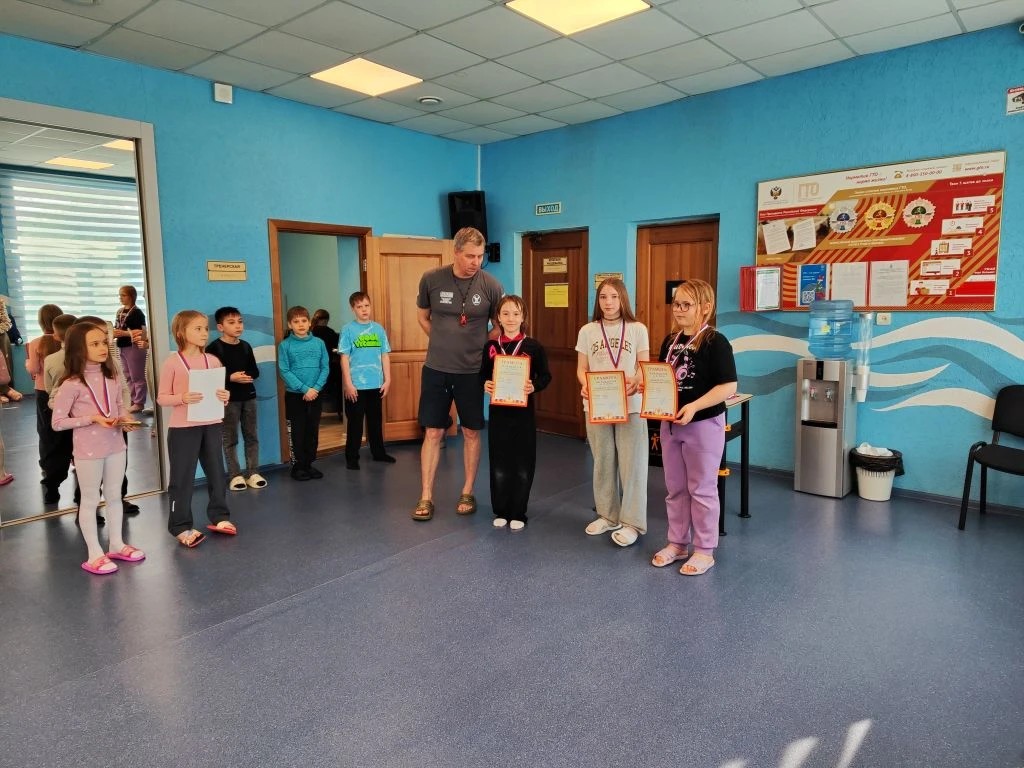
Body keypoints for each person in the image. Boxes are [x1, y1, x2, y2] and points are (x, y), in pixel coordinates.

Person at [413, 226, 503, 521]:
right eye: (470, 256)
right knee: (433, 431)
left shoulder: (491, 285)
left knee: (471, 431)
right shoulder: (431, 279)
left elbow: (499, 326)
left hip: (472, 371)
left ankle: (467, 491)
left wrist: (479, 346)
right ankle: (426, 495)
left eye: (480, 256)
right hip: (436, 369)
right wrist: (441, 340)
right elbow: (422, 316)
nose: (476, 262)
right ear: (456, 252)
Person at [649, 280, 737, 576]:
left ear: (706, 307)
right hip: (671, 425)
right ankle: (677, 543)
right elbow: (663, 379)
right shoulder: (670, 341)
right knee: (675, 488)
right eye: (676, 304)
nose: (679, 310)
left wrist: (695, 406)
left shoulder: (716, 342)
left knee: (701, 489)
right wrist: (644, 387)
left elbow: (728, 386)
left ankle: (704, 550)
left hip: (703, 425)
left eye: (687, 304)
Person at [51, 322, 145, 575]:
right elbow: (57, 422)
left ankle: (117, 544)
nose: (103, 348)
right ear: (78, 349)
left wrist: (125, 420)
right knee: (90, 499)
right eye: (94, 344)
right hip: (88, 451)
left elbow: (119, 407)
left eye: (104, 342)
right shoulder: (71, 384)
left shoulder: (111, 376)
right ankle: (94, 553)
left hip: (116, 445)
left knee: (115, 496)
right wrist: (91, 419)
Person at [576, 277, 650, 547]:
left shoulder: (637, 329)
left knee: (633, 465)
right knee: (603, 462)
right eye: (603, 297)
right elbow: (581, 368)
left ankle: (632, 523)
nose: (608, 302)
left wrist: (636, 379)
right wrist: (585, 384)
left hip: (631, 405)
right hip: (598, 405)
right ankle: (608, 516)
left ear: (623, 299)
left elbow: (643, 365)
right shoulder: (587, 331)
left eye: (614, 297)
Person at [156, 310, 233, 547]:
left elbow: (219, 394)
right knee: (182, 478)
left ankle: (220, 516)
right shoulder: (172, 363)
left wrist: (224, 396)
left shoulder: (213, 361)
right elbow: (161, 398)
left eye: (205, 328)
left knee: (217, 473)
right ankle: (180, 526)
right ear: (181, 332)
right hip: (183, 429)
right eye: (197, 329)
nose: (204, 333)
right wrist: (182, 397)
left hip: (211, 424)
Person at [480, 295, 551, 530]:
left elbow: (546, 376)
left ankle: (519, 512)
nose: (511, 319)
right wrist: (485, 384)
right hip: (498, 413)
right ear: (498, 318)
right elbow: (482, 374)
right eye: (506, 314)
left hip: (523, 415)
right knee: (499, 462)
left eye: (516, 314)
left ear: (523, 317)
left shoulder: (534, 347)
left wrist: (534, 386)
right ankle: (501, 509)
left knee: (522, 463)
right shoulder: (491, 347)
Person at [207, 306, 266, 491]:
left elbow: (255, 371)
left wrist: (247, 376)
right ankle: (235, 475)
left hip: (249, 397)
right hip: (228, 400)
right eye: (231, 322)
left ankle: (253, 472)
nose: (238, 326)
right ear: (220, 327)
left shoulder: (246, 346)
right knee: (230, 438)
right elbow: (210, 376)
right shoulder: (214, 348)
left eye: (240, 322)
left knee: (252, 436)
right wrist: (230, 378)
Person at [339, 292, 395, 470]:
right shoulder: (348, 330)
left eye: (366, 306)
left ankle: (379, 453)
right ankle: (352, 457)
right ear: (353, 309)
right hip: (356, 386)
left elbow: (384, 355)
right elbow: (344, 358)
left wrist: (387, 379)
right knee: (355, 423)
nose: (364, 310)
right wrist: (348, 384)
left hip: (376, 384)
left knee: (375, 421)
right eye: (359, 307)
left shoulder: (378, 329)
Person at [278, 305, 328, 481]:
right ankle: (298, 466)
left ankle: (309, 463)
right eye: (296, 321)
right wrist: (305, 389)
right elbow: (284, 370)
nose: (300, 324)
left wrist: (316, 388)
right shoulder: (285, 345)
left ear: (309, 323)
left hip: (316, 394)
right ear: (289, 324)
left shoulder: (319, 343)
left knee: (312, 430)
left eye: (304, 321)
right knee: (297, 431)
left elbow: (325, 367)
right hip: (295, 395)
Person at [26, 303, 63, 502]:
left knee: (46, 431)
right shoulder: (66, 342)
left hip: (43, 391)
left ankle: (48, 469)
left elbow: (33, 369)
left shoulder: (35, 343)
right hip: (66, 390)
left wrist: (27, 363)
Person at [40, 313, 77, 506]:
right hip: (82, 411)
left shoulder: (51, 359)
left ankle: (52, 488)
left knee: (57, 450)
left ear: (57, 335)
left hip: (60, 411)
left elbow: (48, 389)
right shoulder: (85, 357)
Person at [113, 285, 148, 412]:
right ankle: (133, 400)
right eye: (120, 295)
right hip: (122, 346)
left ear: (132, 296)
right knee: (127, 375)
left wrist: (126, 334)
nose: (120, 298)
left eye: (123, 295)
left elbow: (143, 332)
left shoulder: (137, 313)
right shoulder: (120, 312)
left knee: (136, 376)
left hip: (134, 347)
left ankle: (139, 402)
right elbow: (118, 328)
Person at [310, 309, 342, 415]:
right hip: (328, 366)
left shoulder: (310, 332)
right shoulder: (330, 332)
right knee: (339, 381)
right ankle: (340, 411)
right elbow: (337, 347)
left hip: (313, 367)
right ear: (326, 320)